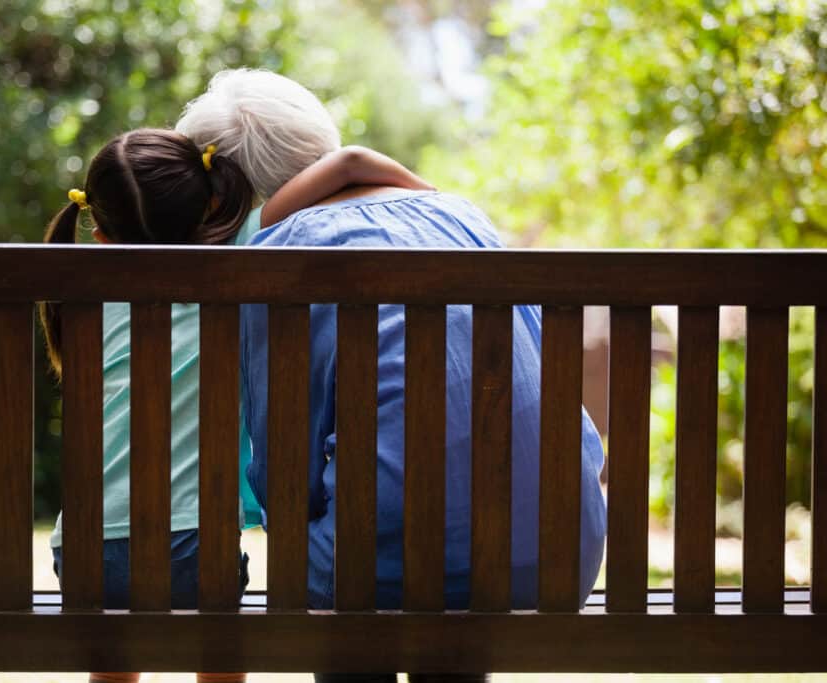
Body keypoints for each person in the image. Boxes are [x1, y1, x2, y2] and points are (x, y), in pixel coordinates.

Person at [179, 69, 607, 683]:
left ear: (219, 199)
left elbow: (284, 475)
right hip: (560, 555)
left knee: (365, 561)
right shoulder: (465, 219)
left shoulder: (273, 262)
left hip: (386, 574)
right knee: (429, 548)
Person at [40, 126, 434, 683]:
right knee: (219, 652)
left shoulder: (83, 300)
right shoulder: (242, 255)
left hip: (81, 555)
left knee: (114, 661)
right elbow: (350, 162)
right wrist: (434, 200)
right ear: (212, 207)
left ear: (99, 234)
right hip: (193, 551)